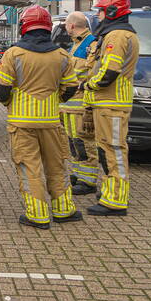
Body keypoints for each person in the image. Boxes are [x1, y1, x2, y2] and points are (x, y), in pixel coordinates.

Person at [0, 6, 81, 229]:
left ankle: (37, 214)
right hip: (51, 121)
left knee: (29, 167)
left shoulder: (13, 54)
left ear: (25, 26)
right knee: (57, 166)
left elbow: (2, 89)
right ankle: (63, 210)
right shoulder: (62, 55)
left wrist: (10, 104)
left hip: (21, 123)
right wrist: (56, 99)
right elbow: (71, 87)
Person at [84, 0, 140, 217]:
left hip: (112, 102)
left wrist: (88, 85)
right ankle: (110, 193)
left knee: (113, 150)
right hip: (109, 103)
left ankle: (116, 200)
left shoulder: (116, 36)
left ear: (112, 11)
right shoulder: (118, 34)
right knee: (106, 148)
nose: (98, 16)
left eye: (100, 11)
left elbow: (109, 72)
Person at [61, 12, 98, 194]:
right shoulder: (76, 45)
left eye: (66, 25)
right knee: (73, 143)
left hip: (82, 106)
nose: (65, 28)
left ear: (73, 26)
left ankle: (88, 180)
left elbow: (92, 75)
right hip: (70, 106)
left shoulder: (91, 46)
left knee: (84, 143)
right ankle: (78, 174)